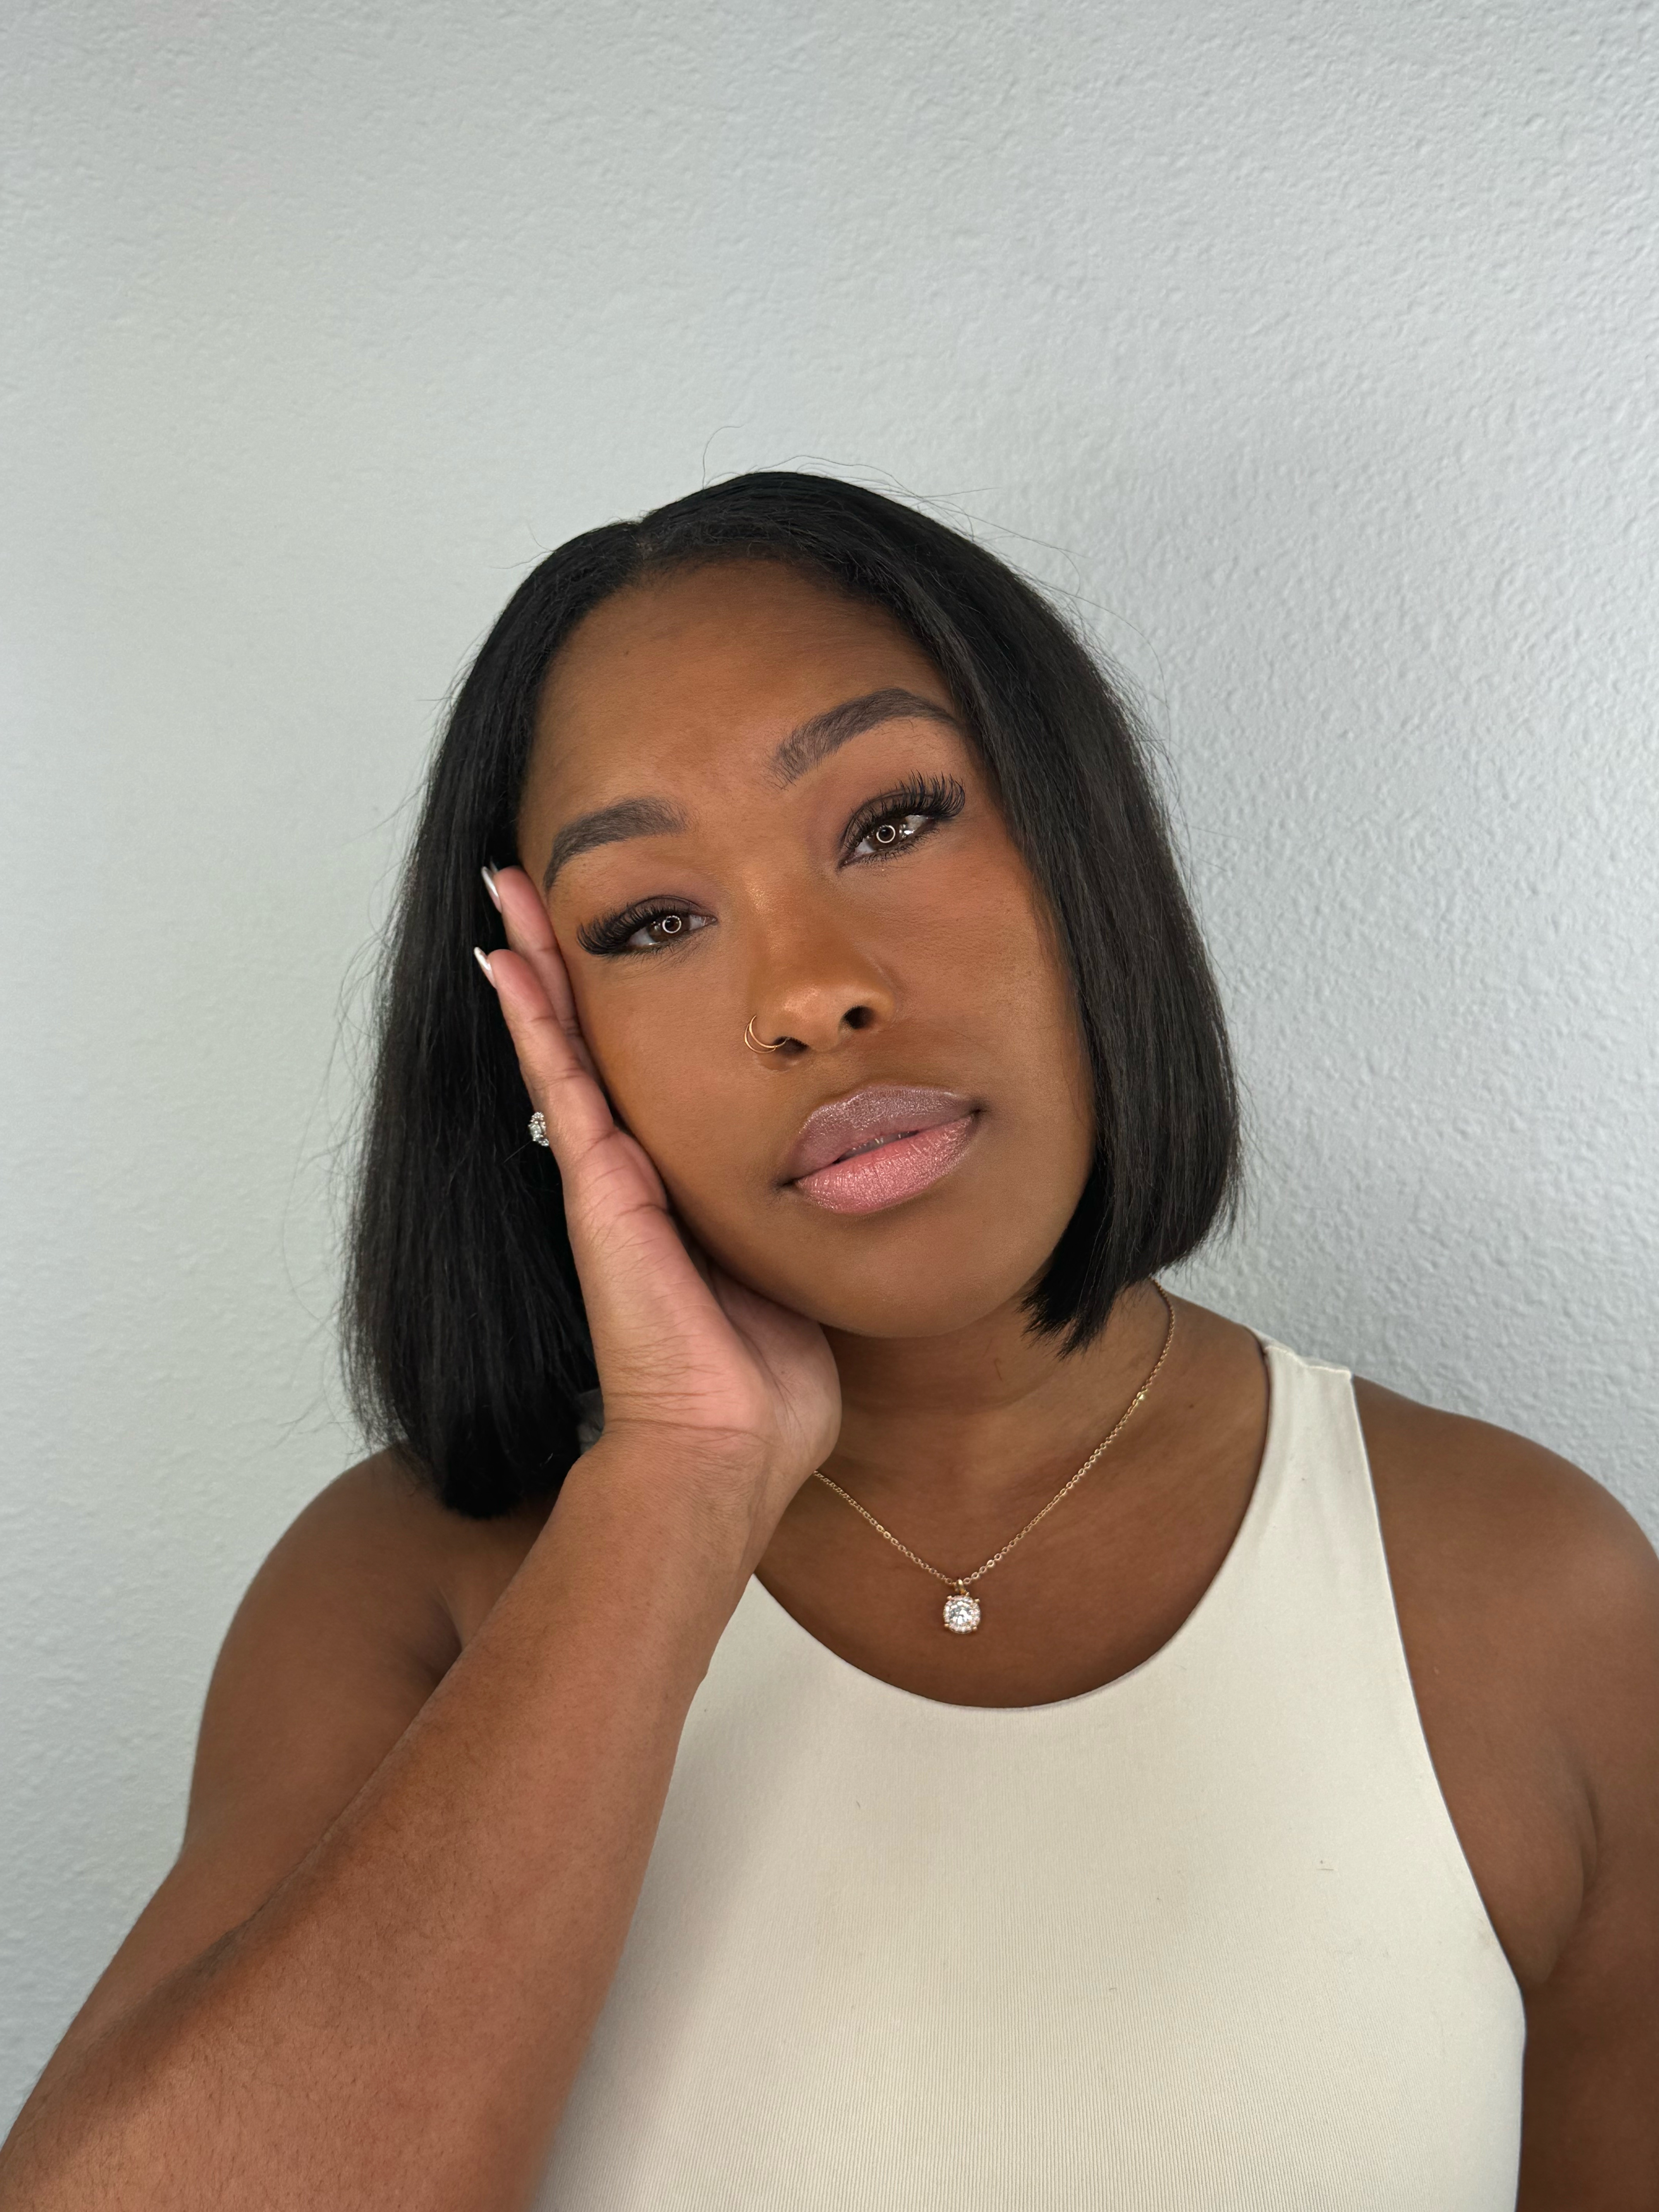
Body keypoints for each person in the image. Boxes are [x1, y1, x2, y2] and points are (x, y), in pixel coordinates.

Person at [3, 473, 1656, 2212]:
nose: (810, 991)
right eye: (652, 922)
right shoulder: (411, 1592)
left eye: (893, 822)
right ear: (549, 1041)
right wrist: (677, 1486)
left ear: (1084, 848)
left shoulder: (1527, 1595)